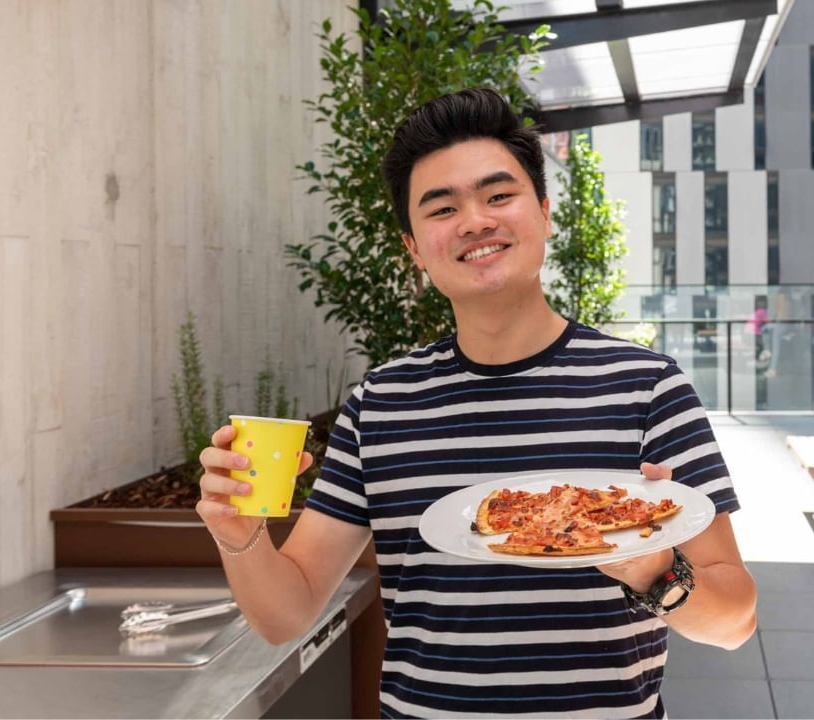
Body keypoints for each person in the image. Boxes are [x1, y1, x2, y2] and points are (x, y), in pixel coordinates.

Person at [194, 89, 757, 717]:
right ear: (413, 247)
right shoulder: (380, 405)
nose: (475, 221)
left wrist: (655, 570)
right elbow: (286, 614)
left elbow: (734, 621)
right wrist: (239, 535)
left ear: (544, 213)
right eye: (442, 207)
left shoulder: (647, 386)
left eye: (498, 196)